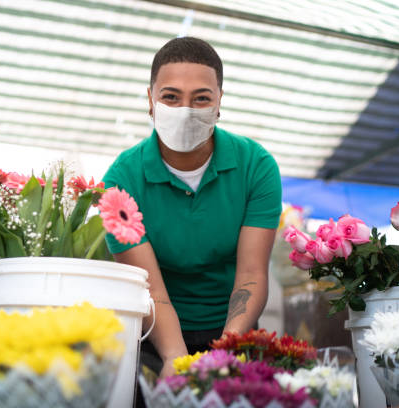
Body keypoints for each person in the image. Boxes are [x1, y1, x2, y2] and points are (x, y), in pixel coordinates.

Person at [102, 37, 282, 381]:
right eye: (171, 96)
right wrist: (174, 356)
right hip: (154, 332)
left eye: (201, 98)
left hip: (235, 327)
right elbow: (148, 288)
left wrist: (227, 351)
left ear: (219, 103)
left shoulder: (256, 166)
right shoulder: (120, 181)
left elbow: (251, 274)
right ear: (150, 101)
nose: (185, 110)